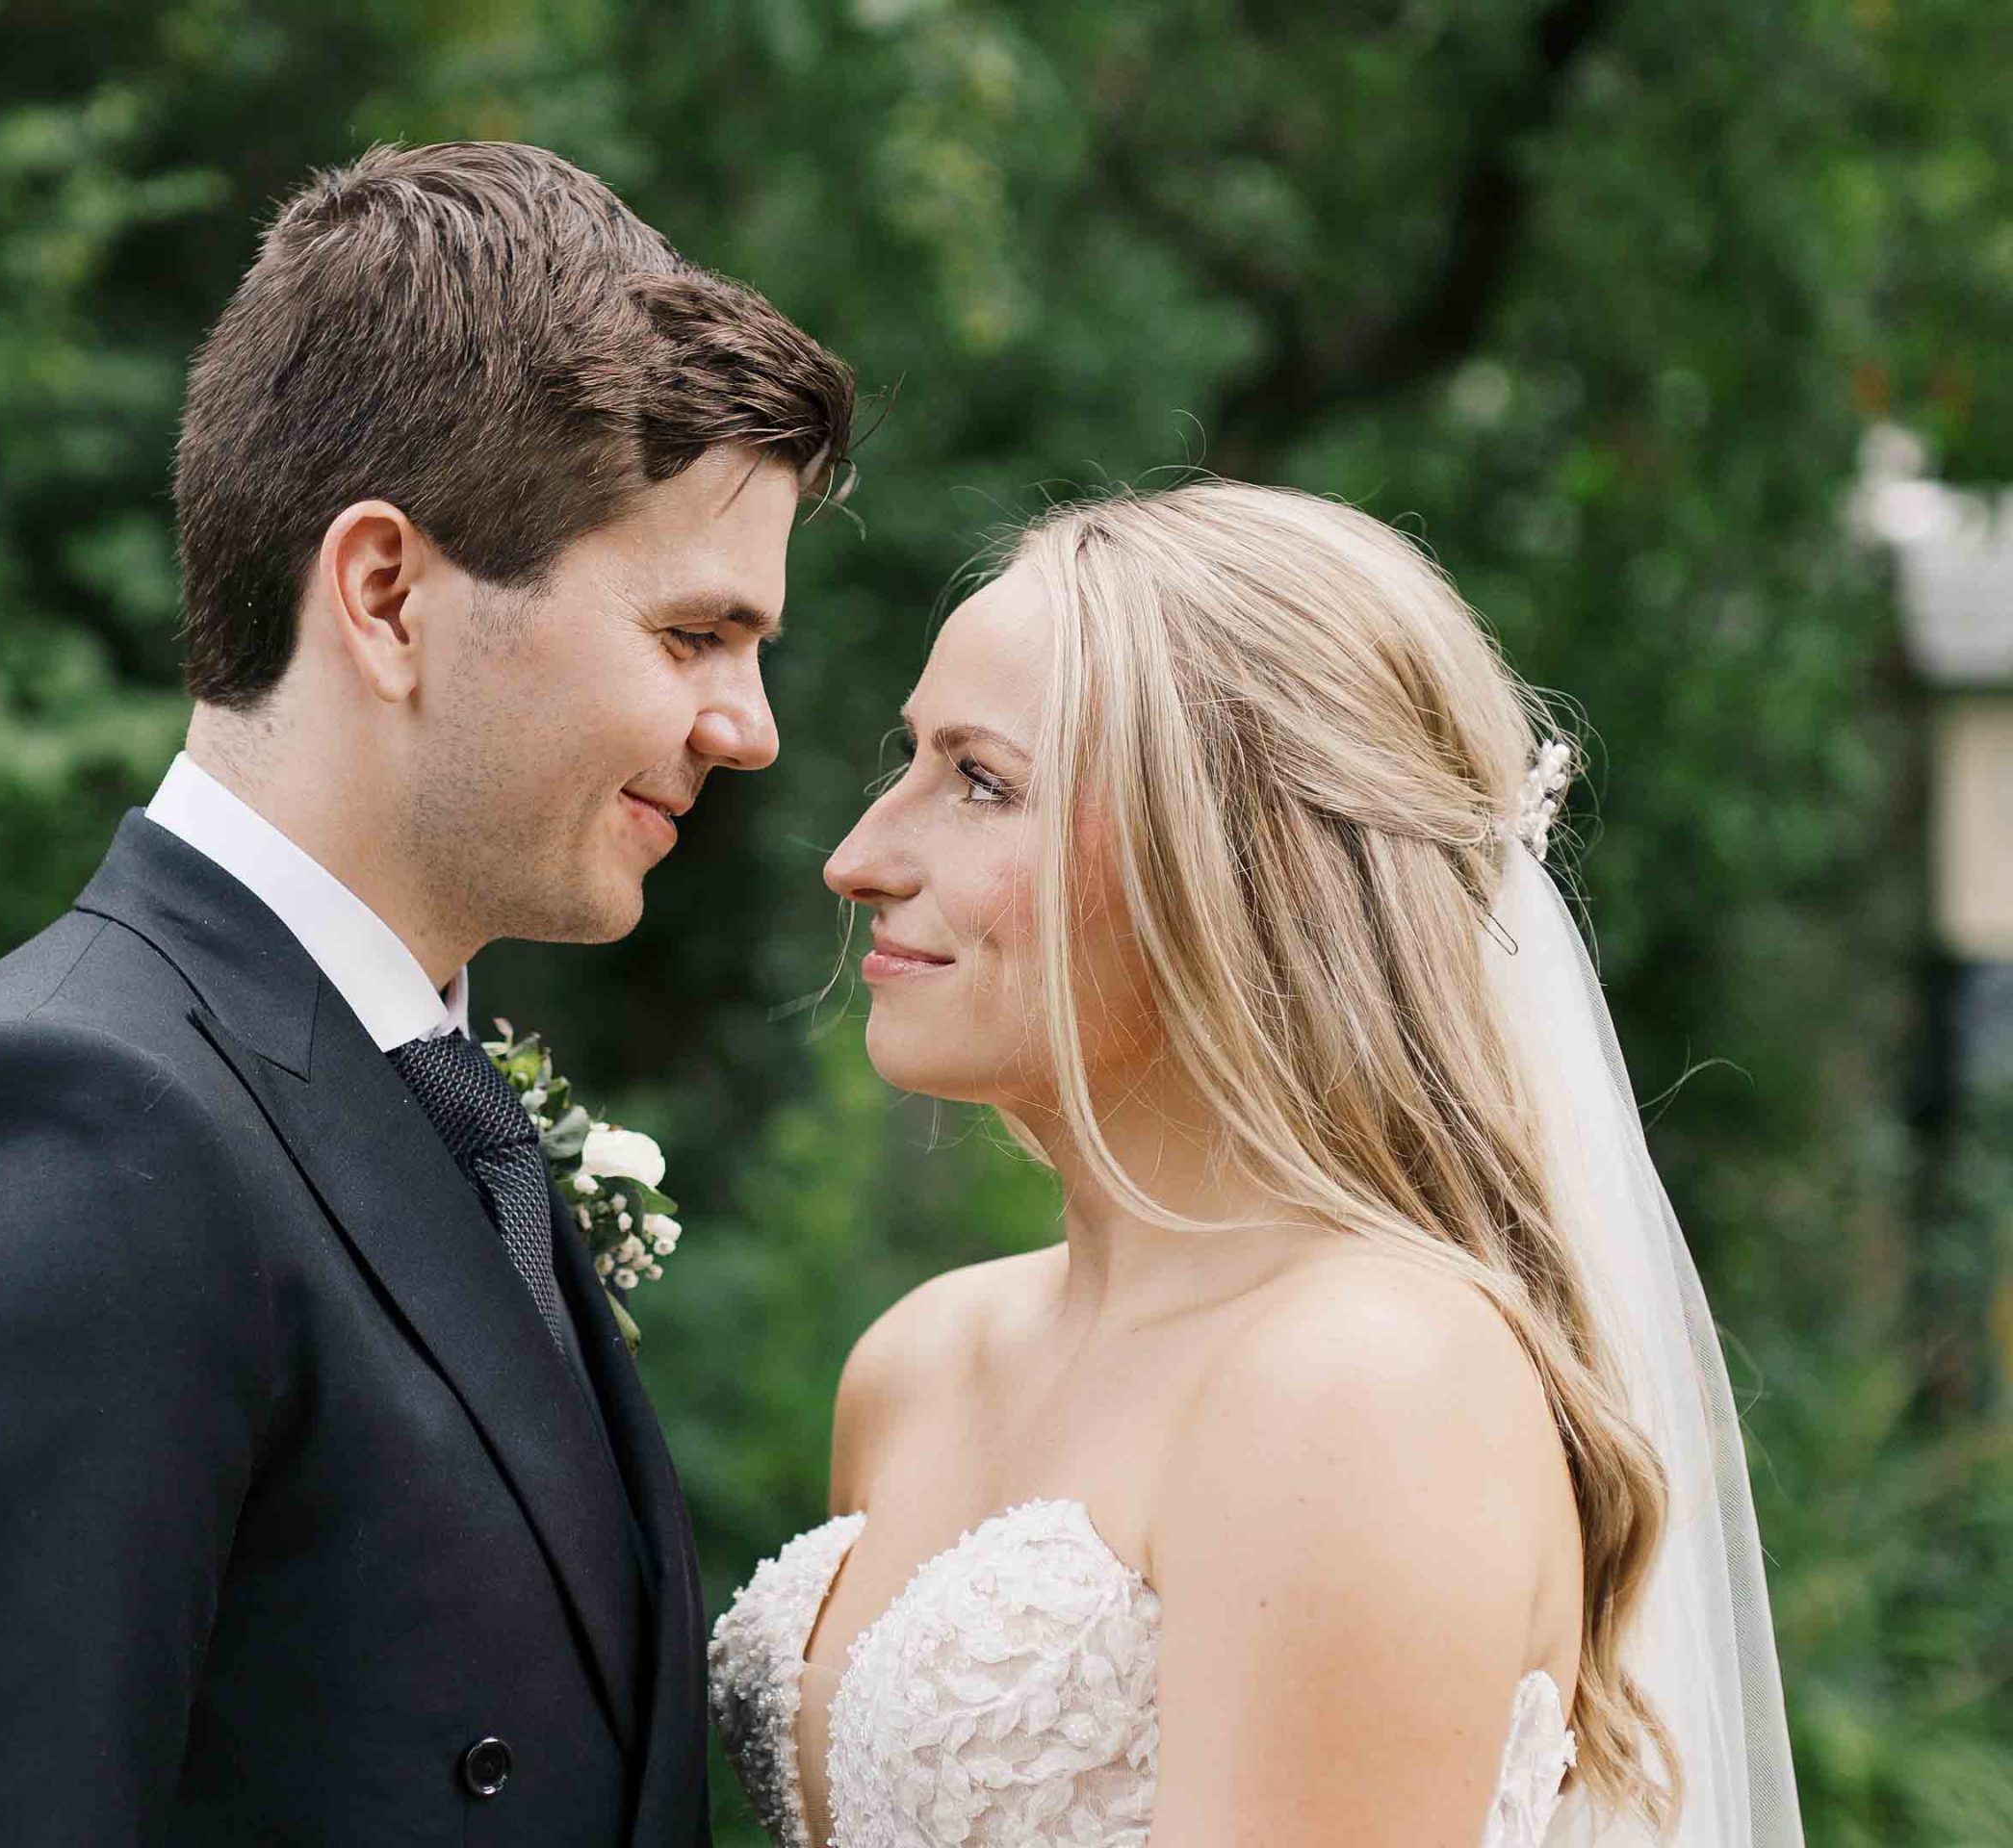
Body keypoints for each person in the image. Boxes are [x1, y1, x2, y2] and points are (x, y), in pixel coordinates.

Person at [0, 141, 853, 1847]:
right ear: (387, 594)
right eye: (694, 636)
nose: (747, 727)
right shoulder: (63, 1139)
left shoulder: (416, 1099)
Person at [711, 481, 1802, 1846]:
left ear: (1239, 868)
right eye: (910, 759)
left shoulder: (1368, 1378)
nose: (859, 855)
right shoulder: (918, 1362)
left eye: (980, 780)